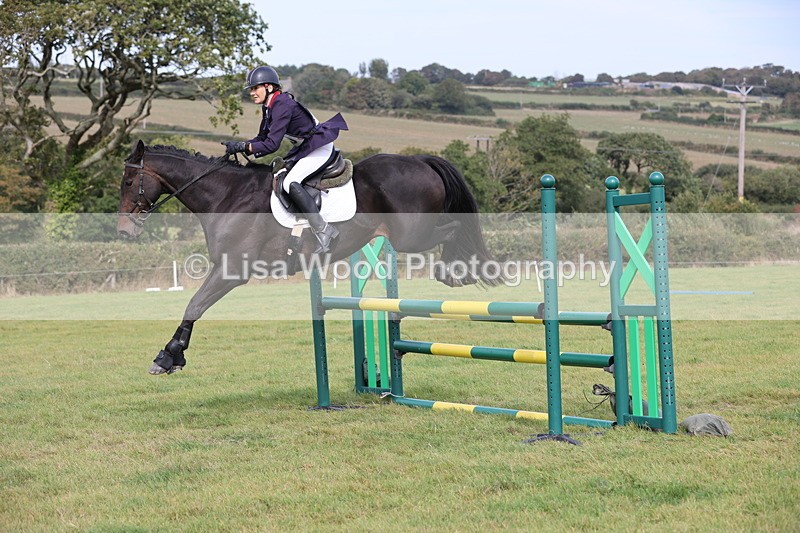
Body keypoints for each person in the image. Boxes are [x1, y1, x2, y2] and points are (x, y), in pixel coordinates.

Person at [221, 65, 348, 253]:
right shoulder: (270, 106)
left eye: (255, 88)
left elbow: (272, 145)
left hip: (319, 147)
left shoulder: (282, 105)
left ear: (269, 87)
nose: (252, 93)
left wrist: (245, 147)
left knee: (290, 182)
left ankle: (323, 230)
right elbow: (262, 139)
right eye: (251, 89)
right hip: (306, 147)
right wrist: (242, 145)